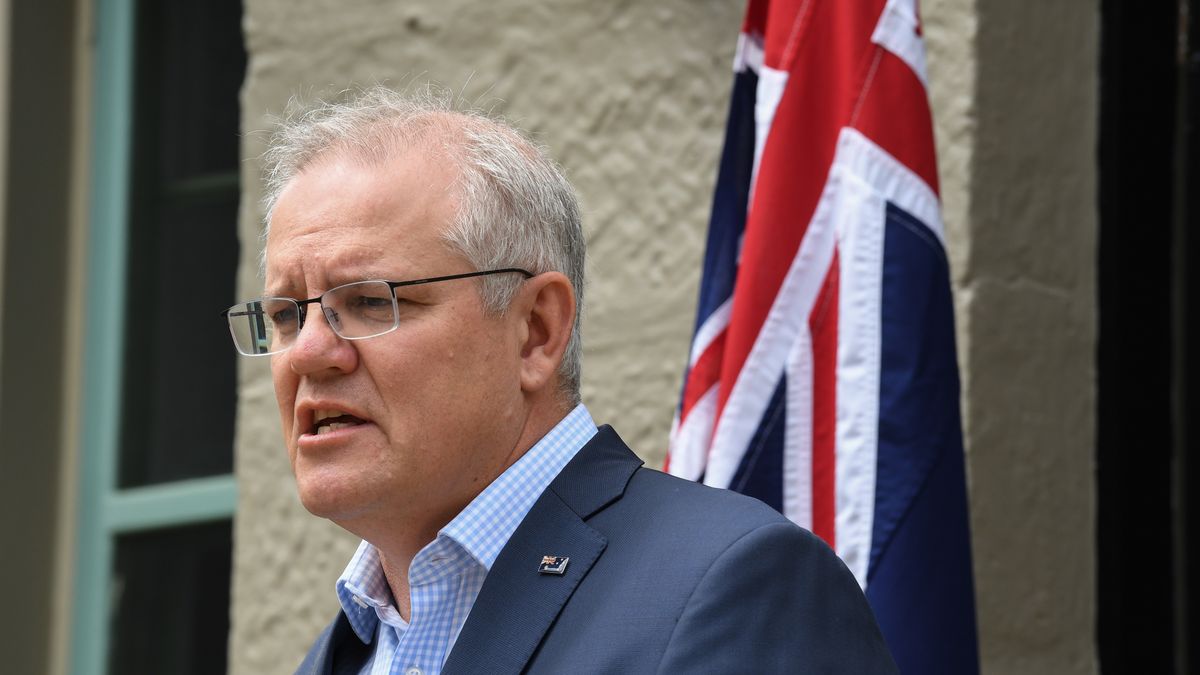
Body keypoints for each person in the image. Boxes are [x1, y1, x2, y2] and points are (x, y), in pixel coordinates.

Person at [224, 86, 898, 674]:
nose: (308, 352)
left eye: (371, 301)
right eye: (285, 314)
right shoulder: (339, 656)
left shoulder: (729, 586)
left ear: (536, 331)